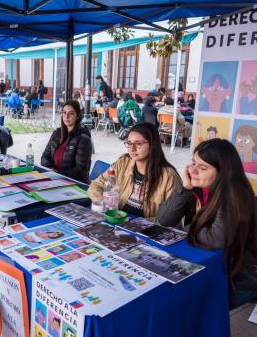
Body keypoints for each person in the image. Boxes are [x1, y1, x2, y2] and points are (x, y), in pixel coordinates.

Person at [157, 139, 257, 309]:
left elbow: (217, 238)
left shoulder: (233, 194)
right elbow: (164, 220)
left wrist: (187, 229)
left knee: (187, 307)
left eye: (203, 168)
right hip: (214, 266)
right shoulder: (199, 187)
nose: (193, 171)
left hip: (239, 280)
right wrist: (184, 188)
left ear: (223, 172)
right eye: (193, 163)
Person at [88, 122, 181, 218]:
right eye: (129, 143)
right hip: (117, 221)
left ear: (153, 144)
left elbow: (172, 219)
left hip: (144, 230)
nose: (132, 149)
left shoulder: (169, 177)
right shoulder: (123, 163)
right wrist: (105, 207)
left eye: (138, 144)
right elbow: (96, 184)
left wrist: (136, 224)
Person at [41, 100, 93, 183]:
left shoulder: (83, 139)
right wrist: (50, 170)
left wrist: (58, 174)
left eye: (71, 113)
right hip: (54, 179)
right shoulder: (57, 133)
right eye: (64, 113)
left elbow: (80, 170)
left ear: (78, 116)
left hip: (75, 183)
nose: (67, 116)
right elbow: (44, 157)